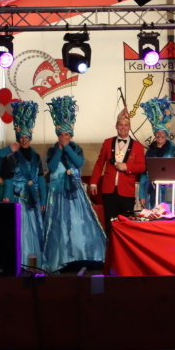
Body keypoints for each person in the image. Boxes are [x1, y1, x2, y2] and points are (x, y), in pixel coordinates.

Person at [42, 96, 106, 272]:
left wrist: (67, 148)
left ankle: (82, 255)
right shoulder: (52, 150)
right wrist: (59, 150)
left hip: (75, 193)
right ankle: (62, 257)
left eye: (67, 135)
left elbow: (78, 163)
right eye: (61, 135)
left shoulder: (76, 148)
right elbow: (52, 167)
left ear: (71, 136)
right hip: (58, 193)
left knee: (79, 223)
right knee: (59, 224)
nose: (63, 137)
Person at [0, 100, 48, 268]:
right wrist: (7, 195)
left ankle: (35, 262)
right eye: (22, 137)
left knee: (35, 230)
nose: (24, 140)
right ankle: (21, 262)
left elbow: (41, 178)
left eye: (27, 137)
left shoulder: (37, 157)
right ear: (18, 139)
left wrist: (43, 199)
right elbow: (8, 178)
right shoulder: (12, 157)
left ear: (30, 138)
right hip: (19, 198)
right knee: (21, 230)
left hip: (34, 200)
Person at [89, 107, 147, 227]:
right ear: (116, 126)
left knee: (126, 224)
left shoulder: (138, 146)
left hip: (126, 190)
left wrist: (126, 166)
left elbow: (142, 167)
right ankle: (109, 239)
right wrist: (93, 182)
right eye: (120, 125)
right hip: (109, 190)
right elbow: (99, 164)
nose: (123, 127)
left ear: (130, 127)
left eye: (126, 125)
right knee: (109, 222)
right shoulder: (107, 143)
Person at [138, 96, 175, 210]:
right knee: (153, 215)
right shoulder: (150, 152)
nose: (159, 136)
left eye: (162, 133)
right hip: (152, 190)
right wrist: (141, 194)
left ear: (166, 135)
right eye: (157, 133)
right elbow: (144, 174)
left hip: (169, 190)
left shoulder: (174, 151)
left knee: (168, 215)